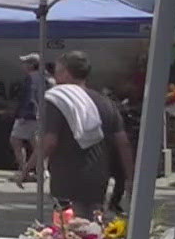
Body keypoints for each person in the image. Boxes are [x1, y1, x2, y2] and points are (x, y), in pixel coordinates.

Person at [42, 50, 134, 214]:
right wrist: (131, 177)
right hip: (98, 176)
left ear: (66, 73)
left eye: (57, 71)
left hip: (66, 177)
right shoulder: (107, 103)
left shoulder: (58, 101)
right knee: (92, 225)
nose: (55, 76)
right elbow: (123, 143)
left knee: (68, 230)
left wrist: (29, 167)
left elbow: (50, 141)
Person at [11, 53, 46, 185]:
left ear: (31, 65)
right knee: (35, 142)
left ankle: (24, 169)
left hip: (29, 114)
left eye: (25, 63)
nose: (23, 65)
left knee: (15, 140)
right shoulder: (45, 77)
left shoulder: (31, 78)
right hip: (40, 114)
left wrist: (23, 114)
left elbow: (29, 97)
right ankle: (42, 170)